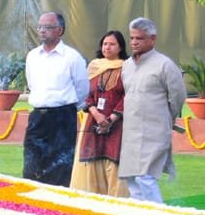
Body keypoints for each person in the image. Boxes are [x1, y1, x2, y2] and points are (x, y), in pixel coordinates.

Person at [118, 17, 187, 203]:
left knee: (145, 176)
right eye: (132, 38)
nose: (133, 42)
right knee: (131, 178)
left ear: (153, 39)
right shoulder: (127, 65)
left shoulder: (165, 65)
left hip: (155, 129)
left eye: (139, 38)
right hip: (131, 129)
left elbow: (178, 97)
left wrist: (166, 117)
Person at [22, 11, 89, 186]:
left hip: (62, 116)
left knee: (60, 166)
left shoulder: (72, 57)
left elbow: (82, 88)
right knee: (32, 164)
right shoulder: (32, 56)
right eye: (40, 27)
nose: (42, 31)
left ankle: (57, 204)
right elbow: (32, 84)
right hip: (38, 116)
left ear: (60, 30)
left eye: (48, 27)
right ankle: (31, 204)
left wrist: (69, 107)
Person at [69, 30, 129, 196]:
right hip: (92, 121)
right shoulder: (93, 66)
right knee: (91, 157)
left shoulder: (127, 68)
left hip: (118, 123)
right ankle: (92, 200)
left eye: (112, 44)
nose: (107, 47)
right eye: (104, 44)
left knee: (114, 159)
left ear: (120, 47)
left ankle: (117, 202)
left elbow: (128, 95)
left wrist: (111, 118)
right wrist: (96, 113)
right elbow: (84, 92)